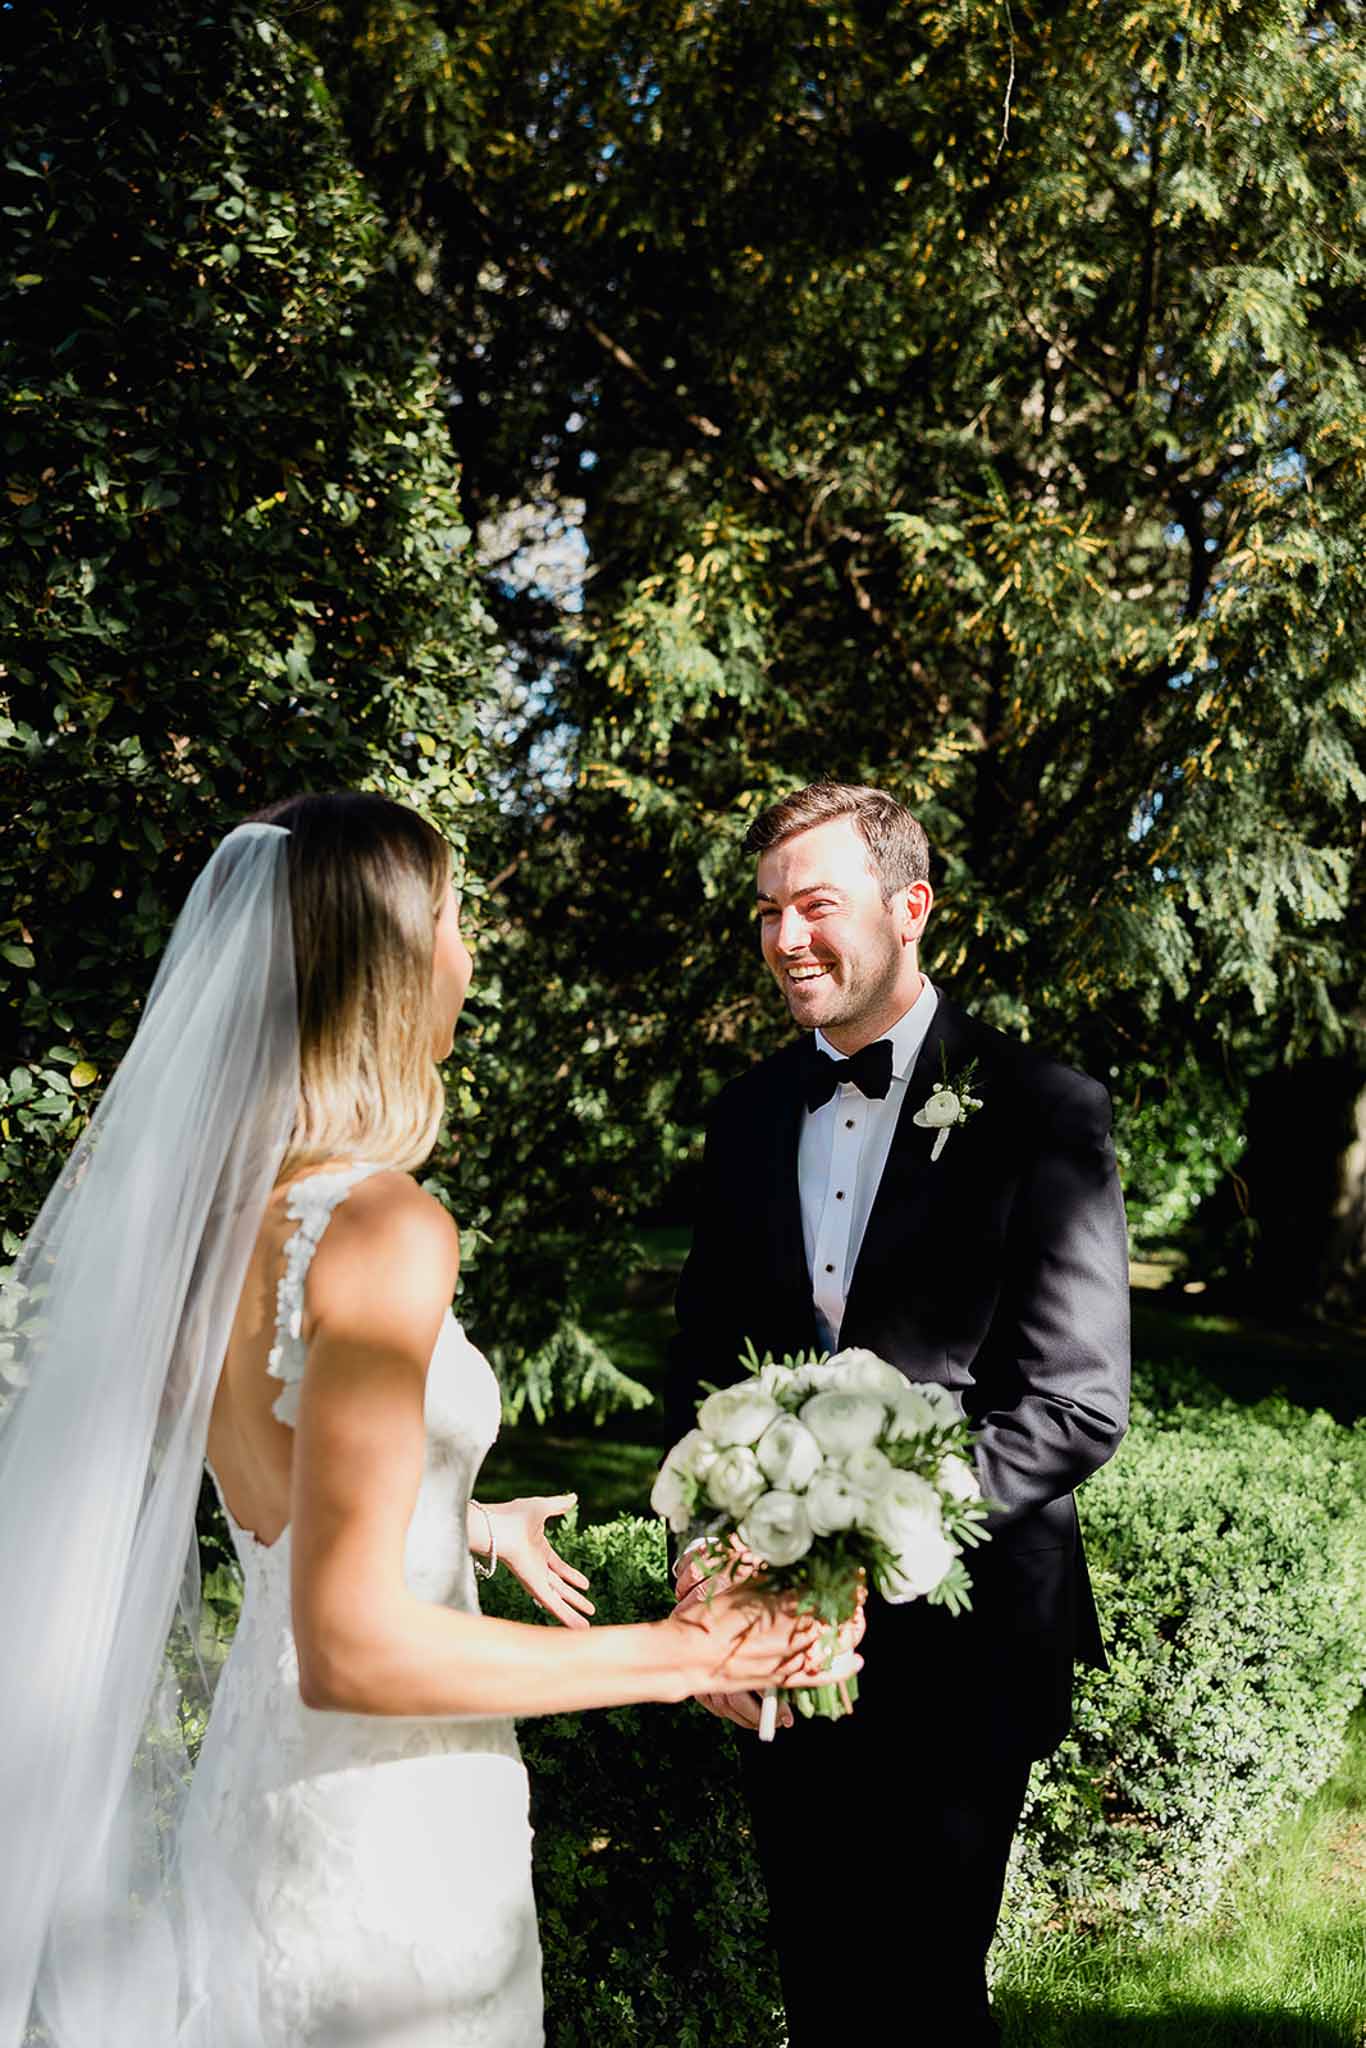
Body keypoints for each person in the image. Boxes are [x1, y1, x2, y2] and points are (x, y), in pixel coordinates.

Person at [0, 790, 826, 2048]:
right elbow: (353, 1645)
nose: (469, 956)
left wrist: (459, 1514)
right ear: (385, 964)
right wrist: (692, 1652)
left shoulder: (221, 1222)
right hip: (382, 1829)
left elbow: (283, 1496)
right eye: (452, 919)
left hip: (260, 1792)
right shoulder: (381, 1222)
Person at [667, 781, 1130, 2047]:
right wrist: (709, 1556)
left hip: (959, 1642)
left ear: (910, 905)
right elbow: (704, 1360)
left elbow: (1075, 1401)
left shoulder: (1043, 1109)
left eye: (814, 904)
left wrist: (873, 1539)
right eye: (765, 912)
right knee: (815, 1988)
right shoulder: (748, 1111)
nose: (783, 938)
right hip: (772, 1631)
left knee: (924, 1998)